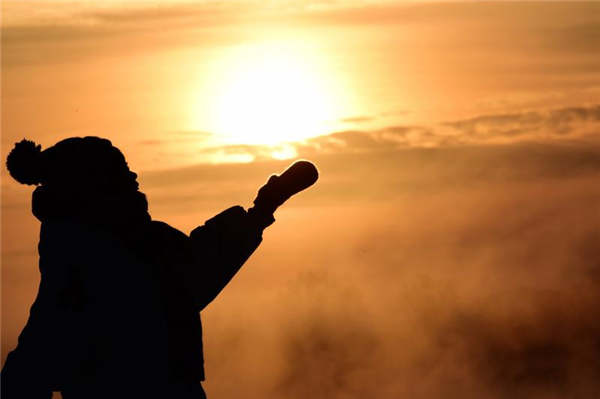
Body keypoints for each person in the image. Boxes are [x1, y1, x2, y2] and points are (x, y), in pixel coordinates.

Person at [1, 137, 317, 399]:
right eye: (122, 174)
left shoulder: (101, 246)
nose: (135, 179)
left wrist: (259, 213)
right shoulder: (94, 257)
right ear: (98, 189)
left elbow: (196, 267)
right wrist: (259, 213)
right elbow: (195, 275)